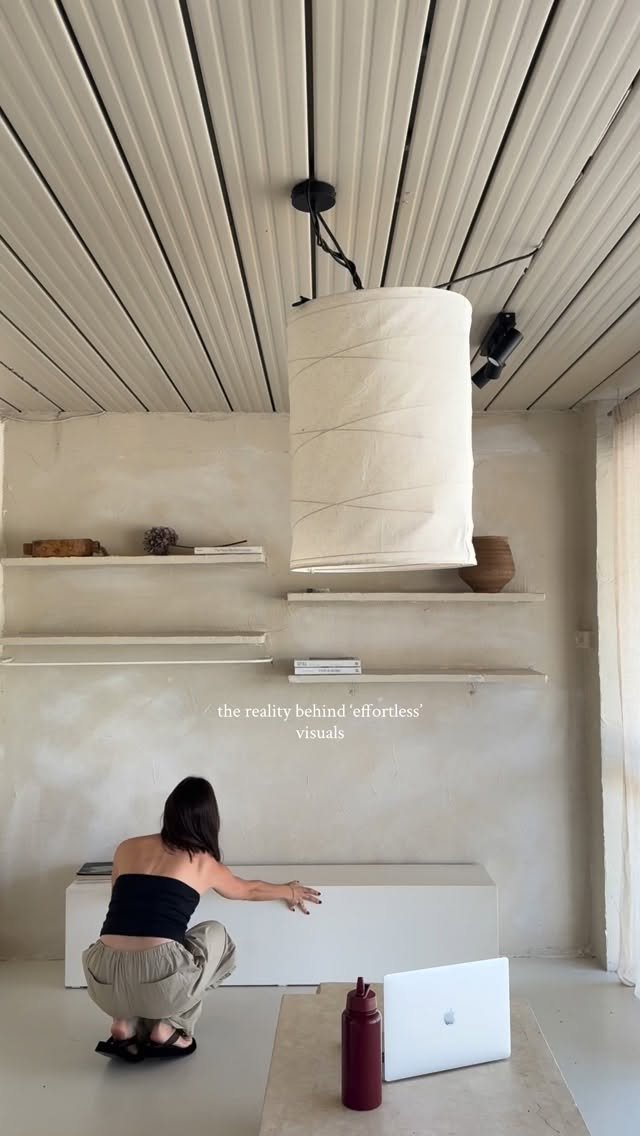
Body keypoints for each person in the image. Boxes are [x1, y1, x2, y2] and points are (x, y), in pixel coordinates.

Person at [83, 776, 321, 1062]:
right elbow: (249, 890)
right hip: (159, 982)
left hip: (101, 978)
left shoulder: (126, 848)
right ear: (209, 820)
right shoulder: (203, 862)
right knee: (215, 935)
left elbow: (119, 899)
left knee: (151, 942)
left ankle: (123, 1023)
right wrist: (290, 891)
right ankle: (168, 1026)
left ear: (169, 810)